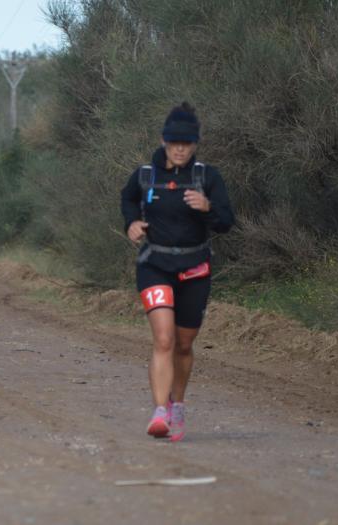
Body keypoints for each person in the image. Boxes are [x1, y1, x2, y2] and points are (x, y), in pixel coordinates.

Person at [120, 102, 235, 441]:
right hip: (155, 265)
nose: (180, 149)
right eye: (174, 143)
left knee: (184, 345)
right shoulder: (145, 176)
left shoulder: (207, 177)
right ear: (163, 141)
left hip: (195, 269)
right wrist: (132, 223)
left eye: (187, 143)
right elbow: (127, 200)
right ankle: (159, 412)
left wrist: (208, 207)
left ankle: (177, 405)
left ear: (195, 144)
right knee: (164, 339)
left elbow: (227, 222)